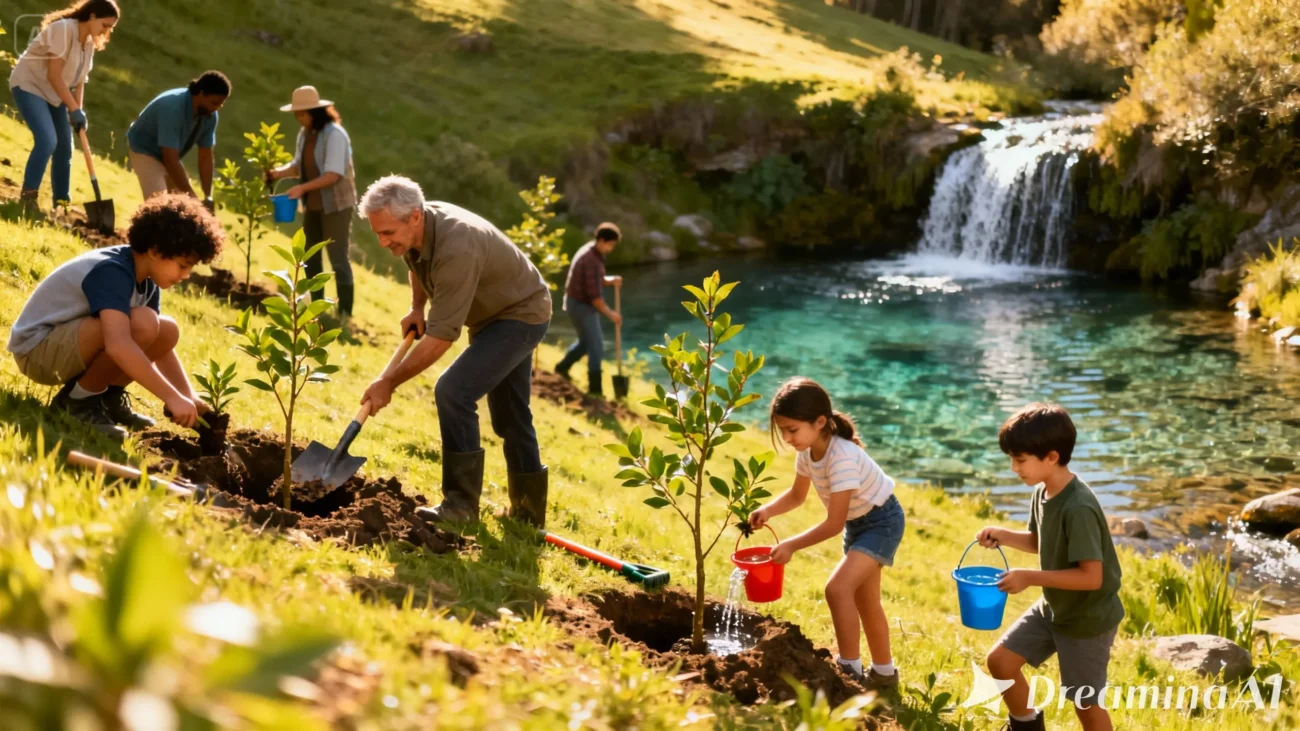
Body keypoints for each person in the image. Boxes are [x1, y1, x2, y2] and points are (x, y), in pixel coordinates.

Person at [357, 176, 553, 527]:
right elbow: (415, 262)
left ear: (414, 216)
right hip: (493, 315)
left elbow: (441, 338)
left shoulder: (457, 246)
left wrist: (388, 381)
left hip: (520, 314)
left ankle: (461, 507)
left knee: (453, 391)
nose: (383, 242)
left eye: (387, 233)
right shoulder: (419, 231)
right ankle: (528, 517)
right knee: (510, 415)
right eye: (377, 233)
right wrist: (417, 308)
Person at [7, 194, 224, 439]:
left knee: (166, 330)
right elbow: (118, 345)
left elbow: (160, 348)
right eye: (183, 265)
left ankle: (105, 400)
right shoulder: (112, 271)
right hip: (37, 351)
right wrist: (170, 397)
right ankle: (76, 403)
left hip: (66, 345)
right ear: (154, 250)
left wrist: (189, 397)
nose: (186, 275)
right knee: (143, 323)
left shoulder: (146, 280)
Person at [749, 377, 904, 690]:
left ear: (820, 422)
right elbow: (796, 496)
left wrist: (792, 545)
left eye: (792, 429)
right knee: (866, 600)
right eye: (783, 430)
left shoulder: (841, 458)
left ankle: (849, 670)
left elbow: (833, 524)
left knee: (837, 590)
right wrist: (768, 510)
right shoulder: (808, 452)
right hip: (859, 524)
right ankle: (885, 674)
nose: (787, 437)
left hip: (881, 522)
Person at [976, 403, 1123, 731]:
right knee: (1000, 662)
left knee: (1084, 702)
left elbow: (1091, 577)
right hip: (1054, 607)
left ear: (1052, 457)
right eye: (1012, 459)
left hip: (1087, 619)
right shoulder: (1044, 491)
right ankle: (1026, 725)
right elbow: (1038, 542)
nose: (1014, 468)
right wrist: (1003, 536)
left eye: (1020, 459)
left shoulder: (1079, 506)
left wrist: (1028, 577)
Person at [7, 0, 120, 213]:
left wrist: (78, 110)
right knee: (48, 140)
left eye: (111, 28)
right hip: (30, 86)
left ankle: (61, 203)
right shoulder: (63, 30)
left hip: (56, 95)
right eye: (105, 25)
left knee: (65, 148)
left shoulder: (88, 43)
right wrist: (72, 107)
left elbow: (79, 82)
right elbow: (53, 75)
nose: (107, 32)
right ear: (92, 16)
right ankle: (28, 197)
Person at [266, 86, 357, 323]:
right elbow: (299, 165)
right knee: (310, 255)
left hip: (336, 205)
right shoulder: (305, 135)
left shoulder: (334, 135)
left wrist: (301, 188)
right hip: (314, 205)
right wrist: (279, 173)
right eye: (297, 114)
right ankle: (317, 305)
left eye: (302, 114)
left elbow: (333, 174)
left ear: (315, 112)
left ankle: (345, 312)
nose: (299, 118)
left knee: (338, 257)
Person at [126, 70, 231, 204]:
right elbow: (170, 159)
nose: (216, 109)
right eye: (214, 103)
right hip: (144, 150)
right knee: (159, 205)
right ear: (201, 93)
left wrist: (207, 196)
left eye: (220, 105)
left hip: (168, 156)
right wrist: (192, 198)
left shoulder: (209, 116)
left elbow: (205, 157)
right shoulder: (173, 107)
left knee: (183, 207)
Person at [555, 223, 623, 396]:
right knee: (596, 346)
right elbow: (596, 299)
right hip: (581, 305)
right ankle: (595, 389)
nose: (611, 248)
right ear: (601, 240)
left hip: (575, 302)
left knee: (586, 343)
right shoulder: (591, 259)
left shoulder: (594, 252)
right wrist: (612, 315)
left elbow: (595, 280)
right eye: (610, 244)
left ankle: (561, 368)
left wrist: (610, 280)